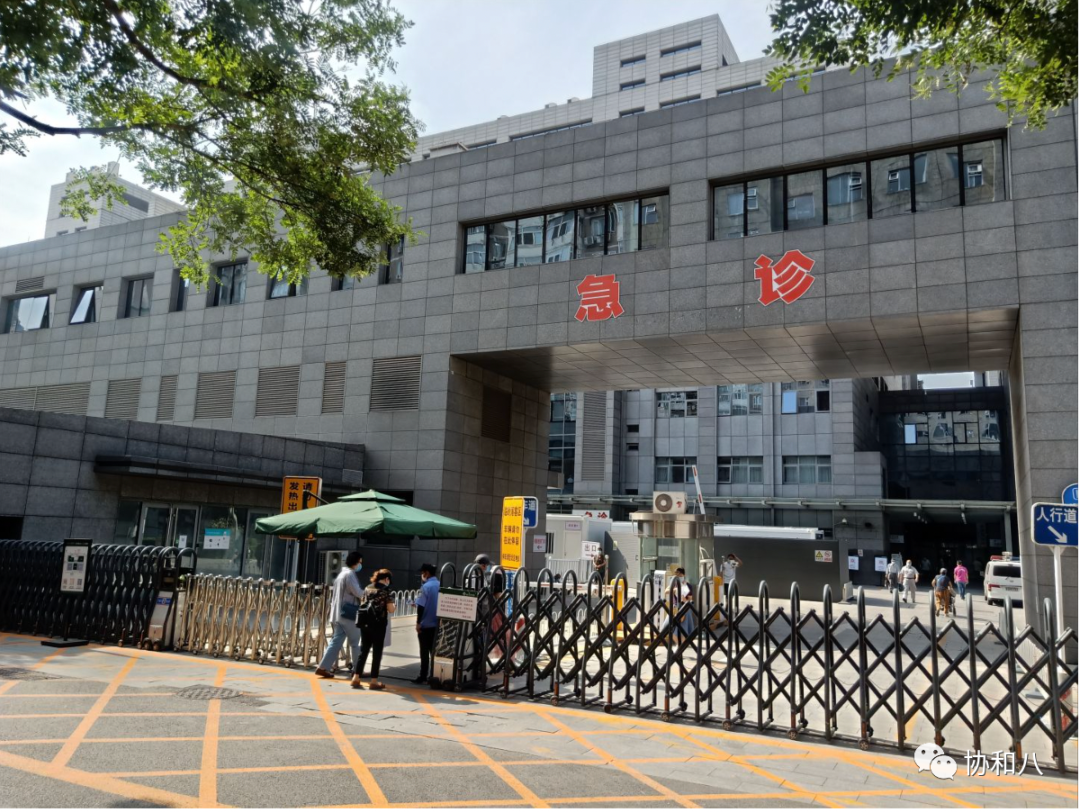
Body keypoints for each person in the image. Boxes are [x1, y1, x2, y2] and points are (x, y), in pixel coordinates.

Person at [315, 551, 363, 679]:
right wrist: (369, 593)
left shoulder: (341, 574)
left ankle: (322, 667)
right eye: (360, 562)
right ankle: (357, 671)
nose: (360, 565)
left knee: (336, 641)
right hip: (348, 613)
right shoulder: (350, 575)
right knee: (355, 642)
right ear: (356, 562)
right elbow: (358, 592)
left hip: (338, 614)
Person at [351, 568, 396, 690]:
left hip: (365, 623)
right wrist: (394, 606)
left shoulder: (368, 588)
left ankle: (356, 678)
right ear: (386, 579)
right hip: (378, 624)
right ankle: (374, 681)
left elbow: (362, 602)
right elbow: (391, 609)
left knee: (364, 650)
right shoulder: (386, 590)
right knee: (377, 652)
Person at [412, 563, 440, 685]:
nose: (421, 575)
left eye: (422, 573)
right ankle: (434, 675)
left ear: (427, 573)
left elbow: (421, 607)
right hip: (437, 625)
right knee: (434, 652)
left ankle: (423, 676)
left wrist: (418, 623)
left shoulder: (425, 587)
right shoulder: (440, 585)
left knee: (424, 652)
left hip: (425, 625)